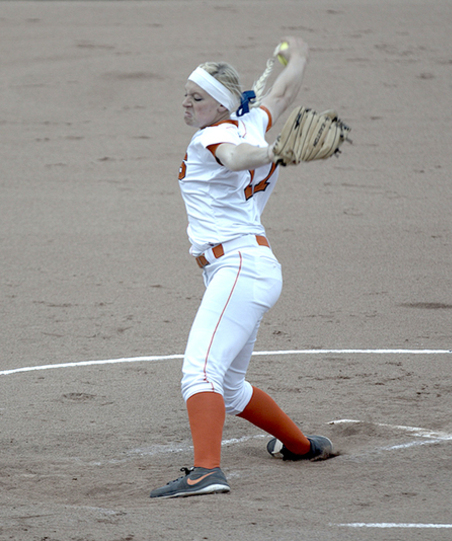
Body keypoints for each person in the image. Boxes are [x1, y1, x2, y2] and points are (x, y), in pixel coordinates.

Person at [150, 37, 334, 499]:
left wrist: (271, 153)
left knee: (199, 372)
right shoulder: (251, 122)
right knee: (229, 388)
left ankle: (206, 471)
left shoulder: (215, 137)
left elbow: (233, 158)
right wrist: (300, 55)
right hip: (248, 269)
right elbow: (283, 94)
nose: (187, 103)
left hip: (237, 267)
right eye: (187, 94)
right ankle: (299, 446)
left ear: (220, 104)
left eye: (198, 97)